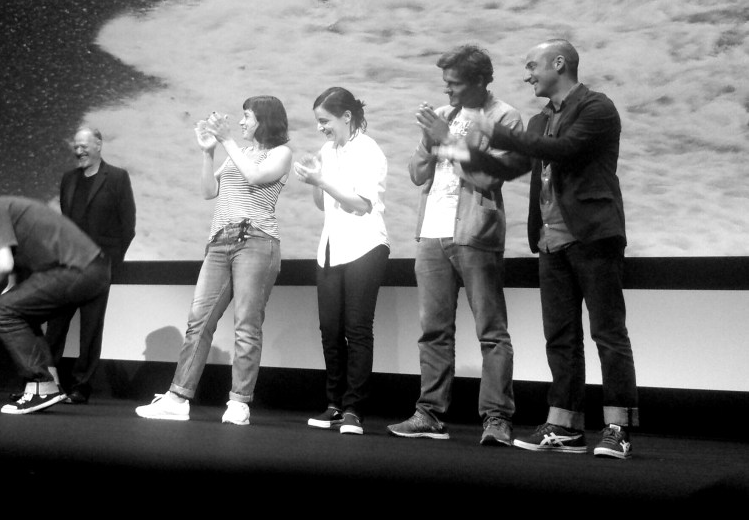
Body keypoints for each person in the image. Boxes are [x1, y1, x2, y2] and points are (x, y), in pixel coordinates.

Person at [444, 39, 639, 459]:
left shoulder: (596, 108)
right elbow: (510, 167)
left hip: (593, 235)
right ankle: (565, 425)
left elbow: (564, 149)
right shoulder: (536, 122)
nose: (528, 74)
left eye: (533, 66)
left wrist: (496, 131)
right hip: (551, 241)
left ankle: (617, 428)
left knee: (608, 333)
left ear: (559, 63)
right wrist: (459, 149)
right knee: (561, 336)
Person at [387, 46, 528, 446]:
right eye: (445, 82)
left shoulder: (504, 117)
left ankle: (497, 418)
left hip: (475, 233)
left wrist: (448, 140)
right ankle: (429, 413)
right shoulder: (444, 116)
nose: (446, 90)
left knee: (491, 330)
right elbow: (416, 174)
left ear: (481, 81)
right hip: (432, 232)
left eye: (454, 83)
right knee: (433, 329)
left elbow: (488, 180)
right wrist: (430, 141)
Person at [135, 97, 292, 426]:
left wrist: (226, 141)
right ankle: (178, 398)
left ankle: (239, 403)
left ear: (265, 120)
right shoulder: (241, 153)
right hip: (219, 241)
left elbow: (254, 177)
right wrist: (208, 152)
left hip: (256, 241)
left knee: (246, 326)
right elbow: (209, 191)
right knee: (198, 321)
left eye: (246, 116)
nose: (241, 123)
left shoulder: (281, 154)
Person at [0, 191, 111, 414]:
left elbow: (2, 265)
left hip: (78, 269)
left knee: (7, 309)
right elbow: (11, 292)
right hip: (92, 271)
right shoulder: (7, 222)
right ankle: (47, 384)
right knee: (18, 310)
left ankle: (42, 386)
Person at [293, 88, 389, 436]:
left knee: (357, 329)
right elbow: (323, 205)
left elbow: (362, 204)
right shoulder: (326, 150)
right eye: (319, 122)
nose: (321, 128)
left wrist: (322, 180)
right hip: (331, 247)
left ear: (346, 117)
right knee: (330, 329)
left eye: (325, 121)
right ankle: (334, 403)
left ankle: (354, 409)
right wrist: (314, 179)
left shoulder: (368, 150)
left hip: (365, 246)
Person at [45, 126, 136, 404]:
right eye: (76, 145)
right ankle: (46, 383)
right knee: (56, 326)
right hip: (68, 266)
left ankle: (81, 386)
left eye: (84, 145)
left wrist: (110, 263)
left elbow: (127, 226)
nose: (79, 150)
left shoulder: (117, 177)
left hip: (98, 267)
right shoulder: (68, 179)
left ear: (99, 145)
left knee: (91, 328)